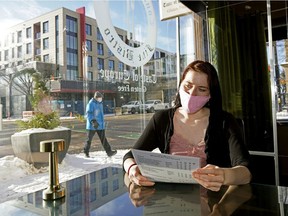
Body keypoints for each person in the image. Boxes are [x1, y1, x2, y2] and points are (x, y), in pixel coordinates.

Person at [123, 60, 252, 191]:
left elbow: (246, 172)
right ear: (179, 85)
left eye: (202, 89)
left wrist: (224, 175)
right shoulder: (162, 119)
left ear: (210, 95)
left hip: (213, 203)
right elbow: (130, 156)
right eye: (188, 86)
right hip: (171, 202)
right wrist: (132, 169)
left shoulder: (225, 121)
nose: (192, 94)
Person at [84, 91, 117, 157]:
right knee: (89, 140)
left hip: (100, 125)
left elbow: (100, 115)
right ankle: (86, 152)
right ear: (96, 98)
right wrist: (93, 121)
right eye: (100, 97)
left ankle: (109, 152)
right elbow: (88, 113)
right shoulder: (91, 104)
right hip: (92, 126)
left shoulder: (100, 103)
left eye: (101, 98)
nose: (101, 99)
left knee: (103, 139)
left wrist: (102, 123)